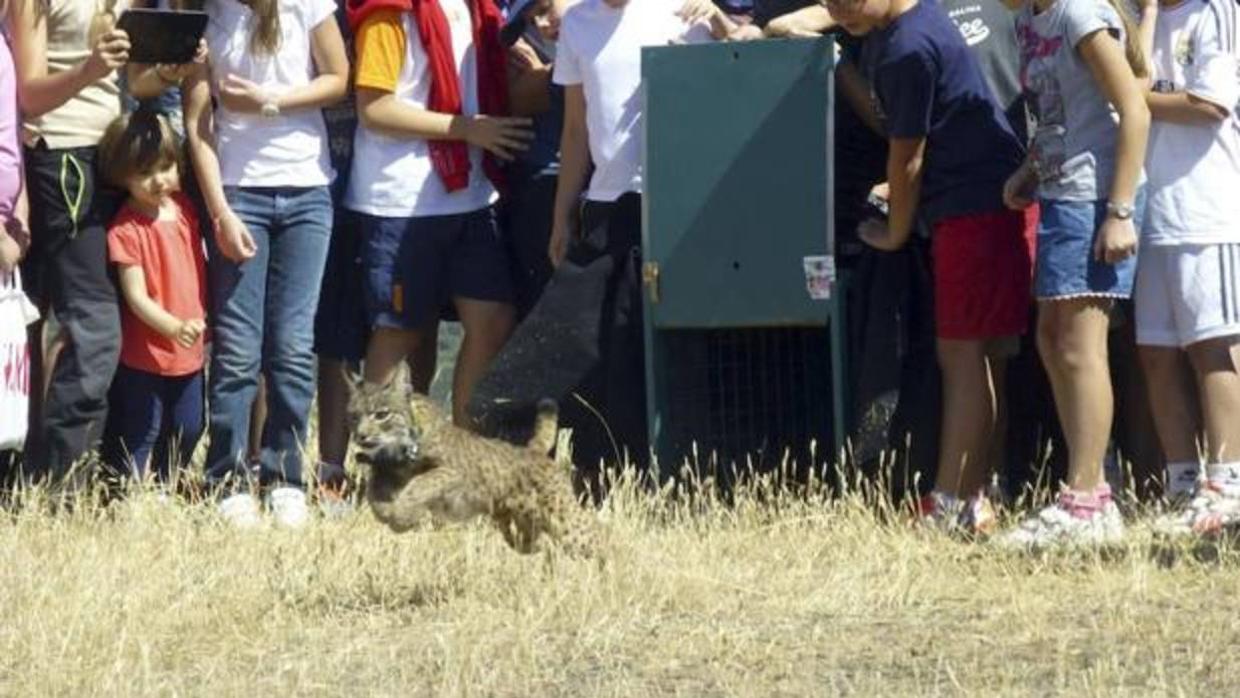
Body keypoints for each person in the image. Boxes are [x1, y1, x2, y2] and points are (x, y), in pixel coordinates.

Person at [825, 0, 1034, 535]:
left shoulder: (907, 45)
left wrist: (895, 229)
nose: (837, 7)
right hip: (984, 207)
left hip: (969, 212)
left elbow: (907, 157)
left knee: (962, 357)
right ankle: (975, 498)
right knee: (980, 356)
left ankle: (948, 502)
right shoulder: (918, 25)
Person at [544, 0, 734, 472]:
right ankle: (613, 467)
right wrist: (562, 213)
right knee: (613, 344)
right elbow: (574, 129)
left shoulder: (686, 11)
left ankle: (690, 469)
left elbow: (734, 78)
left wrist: (724, 27)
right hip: (610, 203)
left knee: (684, 340)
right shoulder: (577, 24)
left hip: (683, 202)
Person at [183, 0, 349, 528]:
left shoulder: (309, 5)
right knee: (236, 347)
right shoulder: (206, 16)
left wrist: (270, 101)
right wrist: (220, 212)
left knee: (293, 345)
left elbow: (339, 79)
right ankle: (227, 477)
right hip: (238, 192)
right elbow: (197, 125)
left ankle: (285, 477)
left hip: (307, 190)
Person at [998, 0, 1149, 548]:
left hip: (1096, 199)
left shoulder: (1080, 15)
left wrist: (1121, 211)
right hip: (1062, 196)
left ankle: (1088, 500)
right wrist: (1029, 171)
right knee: (1052, 339)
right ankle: (1087, 488)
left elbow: (1135, 109)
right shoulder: (1027, 21)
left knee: (1080, 348)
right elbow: (1056, 113)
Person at [343, 0, 531, 428]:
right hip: (400, 200)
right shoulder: (389, 11)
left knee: (494, 320)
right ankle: (383, 463)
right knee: (399, 333)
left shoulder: (481, 10)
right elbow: (374, 108)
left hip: (471, 193)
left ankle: (460, 456)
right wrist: (466, 127)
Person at [9, 0, 129, 495]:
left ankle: (47, 473)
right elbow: (30, 93)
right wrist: (88, 70)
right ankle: (62, 484)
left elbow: (128, 82)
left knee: (78, 326)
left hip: (113, 157)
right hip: (61, 157)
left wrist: (165, 72)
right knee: (93, 327)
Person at [1133, 0, 1240, 535]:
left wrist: (1134, 98)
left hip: (1207, 210)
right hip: (1148, 212)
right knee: (1156, 353)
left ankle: (1227, 484)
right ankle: (1181, 485)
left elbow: (1210, 103)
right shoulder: (1135, 16)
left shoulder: (1217, 10)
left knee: (1213, 348)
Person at [97, 109, 206, 487]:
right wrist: (174, 327)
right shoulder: (125, 229)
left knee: (190, 426)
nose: (159, 180)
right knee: (143, 430)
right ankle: (134, 498)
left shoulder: (185, 210)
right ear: (121, 176)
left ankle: (164, 485)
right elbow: (136, 297)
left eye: (166, 167)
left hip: (189, 350)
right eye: (144, 173)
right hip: (146, 354)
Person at [503, 0, 567, 317]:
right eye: (532, 18)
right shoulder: (518, 40)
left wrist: (546, 74)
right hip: (542, 182)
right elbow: (517, 98)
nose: (541, 25)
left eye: (545, 9)